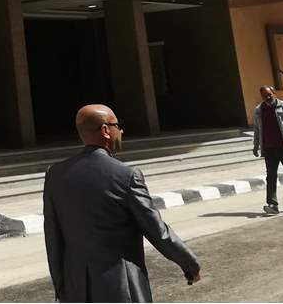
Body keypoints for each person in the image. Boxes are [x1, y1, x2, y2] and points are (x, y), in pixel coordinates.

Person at [43, 105, 201, 302]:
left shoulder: (55, 175)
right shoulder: (126, 176)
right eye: (117, 125)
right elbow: (156, 230)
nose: (122, 131)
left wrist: (61, 288)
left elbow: (53, 238)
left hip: (76, 288)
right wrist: (190, 264)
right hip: (121, 287)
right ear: (105, 130)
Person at [252, 85, 283, 214]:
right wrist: (256, 145)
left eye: (269, 94)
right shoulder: (259, 110)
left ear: (274, 93)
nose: (268, 97)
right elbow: (257, 129)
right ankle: (272, 205)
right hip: (269, 149)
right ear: (262, 97)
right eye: (265, 96)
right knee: (271, 177)